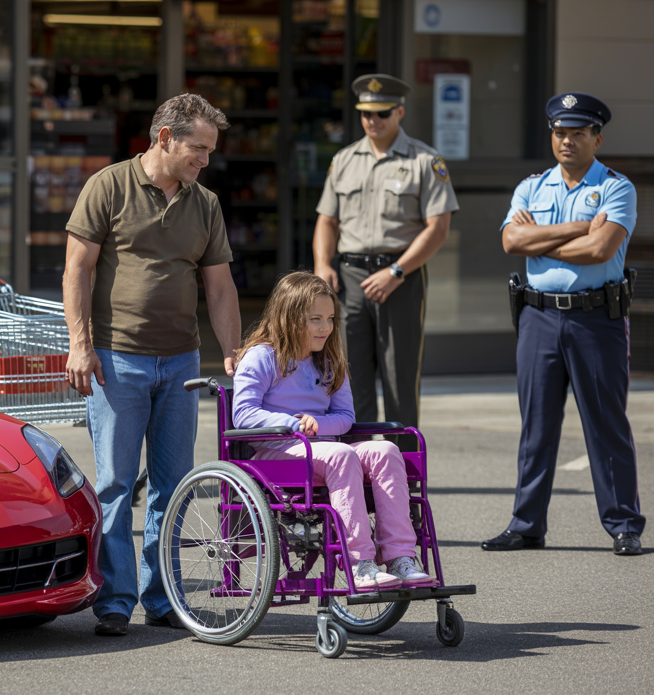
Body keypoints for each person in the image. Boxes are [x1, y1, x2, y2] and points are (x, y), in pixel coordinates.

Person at [63, 93, 242, 636]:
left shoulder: (204, 203)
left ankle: (162, 598)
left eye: (210, 150)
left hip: (181, 362)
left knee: (173, 485)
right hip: (118, 361)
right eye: (199, 147)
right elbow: (77, 269)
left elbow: (220, 287)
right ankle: (115, 601)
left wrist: (232, 351)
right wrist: (79, 345)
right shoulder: (108, 186)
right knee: (117, 485)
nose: (205, 159)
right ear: (165, 136)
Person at [483, 92, 644, 556]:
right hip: (538, 317)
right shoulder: (532, 186)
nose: (567, 140)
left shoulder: (616, 187)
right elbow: (512, 240)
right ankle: (526, 524)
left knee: (606, 424)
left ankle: (623, 524)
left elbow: (601, 250)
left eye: (577, 132)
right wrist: (577, 228)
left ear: (597, 137)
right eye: (560, 132)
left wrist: (540, 240)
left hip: (597, 319)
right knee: (536, 425)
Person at [232, 272, 433, 588]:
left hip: (323, 448)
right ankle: (360, 563)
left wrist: (319, 425)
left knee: (386, 450)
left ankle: (400, 557)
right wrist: (294, 424)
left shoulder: (329, 362)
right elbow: (243, 414)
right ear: (289, 318)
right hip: (275, 453)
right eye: (315, 319)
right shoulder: (262, 358)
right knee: (341, 454)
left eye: (329, 319)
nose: (325, 327)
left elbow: (345, 417)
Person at [312, 74, 458, 451]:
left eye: (381, 113)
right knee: (348, 375)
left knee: (399, 377)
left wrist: (396, 272)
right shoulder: (344, 160)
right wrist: (323, 264)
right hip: (349, 277)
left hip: (400, 276)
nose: (372, 121)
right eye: (365, 113)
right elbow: (327, 220)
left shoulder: (426, 161)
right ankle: (359, 463)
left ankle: (404, 471)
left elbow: (438, 228)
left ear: (400, 112)